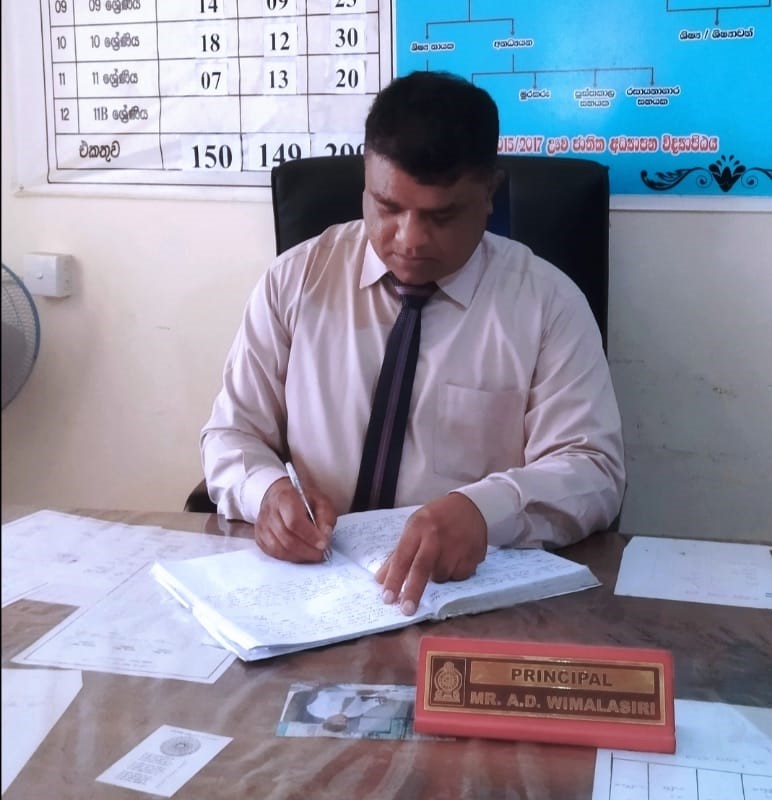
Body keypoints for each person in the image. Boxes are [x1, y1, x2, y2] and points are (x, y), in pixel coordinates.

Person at [201, 70, 625, 617]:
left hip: (466, 599)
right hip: (314, 592)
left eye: (440, 216)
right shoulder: (295, 282)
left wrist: (483, 509)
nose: (410, 239)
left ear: (489, 194)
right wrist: (266, 493)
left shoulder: (548, 304)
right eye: (388, 207)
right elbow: (231, 434)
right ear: (365, 182)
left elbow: (594, 469)